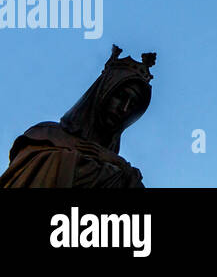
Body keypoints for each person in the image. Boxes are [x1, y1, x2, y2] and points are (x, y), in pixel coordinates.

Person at [1, 45, 155, 188]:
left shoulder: (123, 173)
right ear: (102, 93)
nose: (124, 109)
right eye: (120, 96)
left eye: (133, 106)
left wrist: (121, 167)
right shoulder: (47, 135)